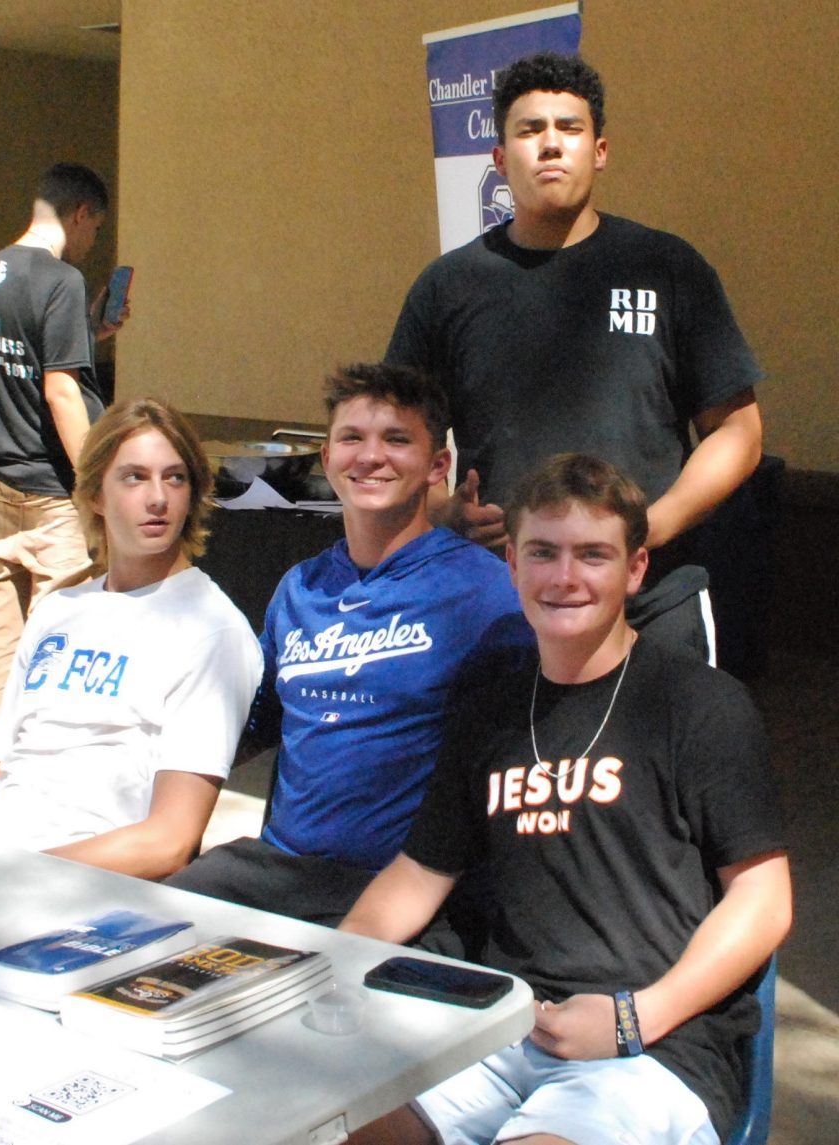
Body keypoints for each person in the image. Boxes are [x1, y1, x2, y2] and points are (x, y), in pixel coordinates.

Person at [340, 453, 791, 1145]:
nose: (565, 577)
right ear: (512, 565)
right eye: (543, 552)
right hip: (493, 1023)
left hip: (649, 1049)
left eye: (593, 554)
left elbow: (763, 899)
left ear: (635, 569)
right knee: (330, 1124)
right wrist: (321, 970)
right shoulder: (487, 714)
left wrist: (635, 1016)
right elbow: (417, 875)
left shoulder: (700, 705)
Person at [385, 52, 764, 660]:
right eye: (531, 130)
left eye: (570, 128)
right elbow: (397, 436)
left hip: (654, 596)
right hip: (505, 598)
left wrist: (654, 525)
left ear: (601, 151)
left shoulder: (669, 268)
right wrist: (438, 510)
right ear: (501, 160)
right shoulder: (447, 288)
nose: (552, 145)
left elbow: (739, 432)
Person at [165, 363, 531, 924]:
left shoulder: (487, 594)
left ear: (439, 465)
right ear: (328, 457)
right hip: (275, 871)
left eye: (397, 439)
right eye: (351, 438)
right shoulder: (300, 588)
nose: (370, 456)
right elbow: (250, 724)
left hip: (400, 889)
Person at [0, 399, 263, 880]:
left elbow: (169, 842)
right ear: (94, 496)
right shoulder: (59, 610)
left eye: (175, 478)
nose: (158, 498)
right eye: (134, 477)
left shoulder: (211, 630)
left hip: (71, 885)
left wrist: (12, 874)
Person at [0, 162, 128, 739]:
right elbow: (60, 389)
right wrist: (98, 482)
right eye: (95, 228)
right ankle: (44, 750)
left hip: (3, 477)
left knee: (2, 621)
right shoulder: (61, 280)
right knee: (59, 628)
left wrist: (90, 331)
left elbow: (24, 353)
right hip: (54, 488)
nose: (92, 243)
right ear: (80, 213)